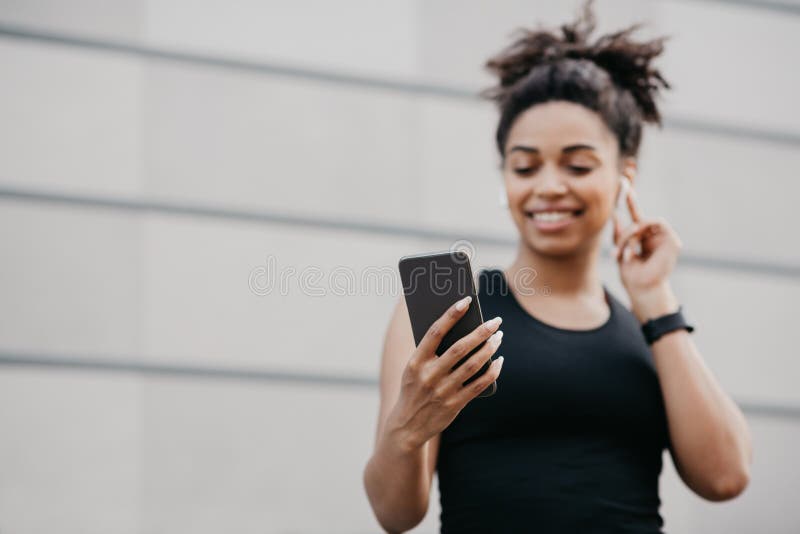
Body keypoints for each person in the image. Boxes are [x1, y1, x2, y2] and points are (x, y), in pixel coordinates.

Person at [363, 2, 752, 532]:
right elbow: (395, 514)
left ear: (624, 175)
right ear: (506, 177)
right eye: (525, 166)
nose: (548, 186)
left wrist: (655, 297)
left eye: (577, 164)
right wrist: (407, 428)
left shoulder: (653, 327)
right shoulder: (445, 301)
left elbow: (725, 477)